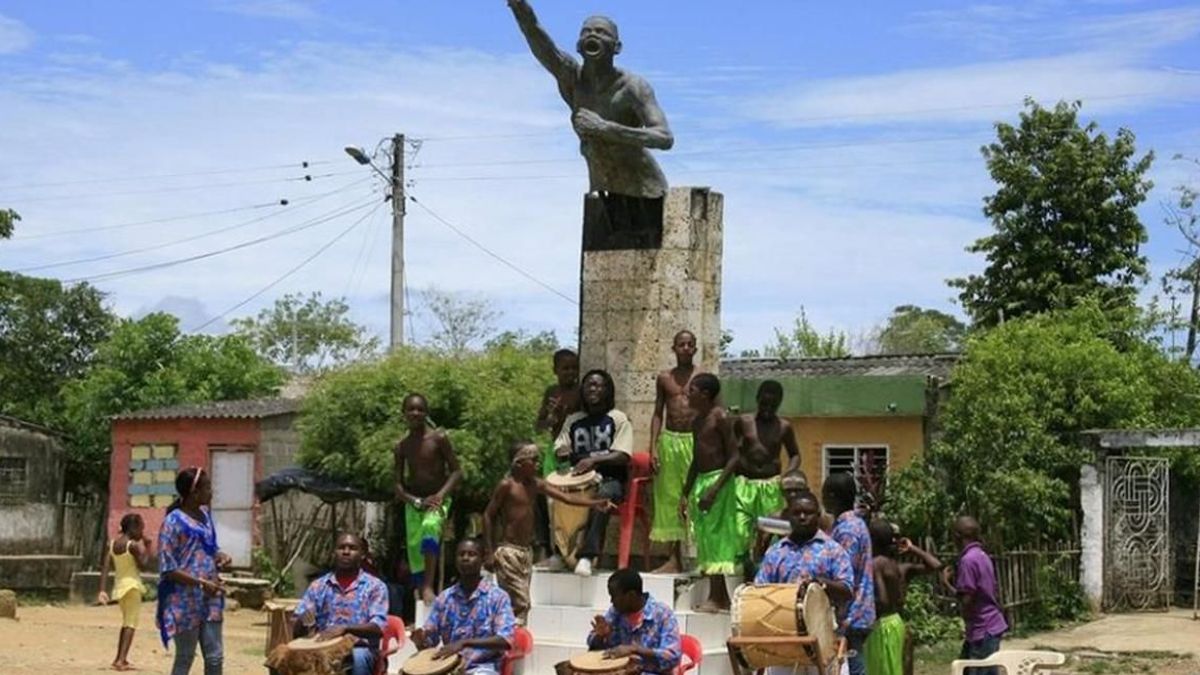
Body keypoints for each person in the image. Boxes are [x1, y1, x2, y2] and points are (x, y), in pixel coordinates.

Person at [506, 0, 674, 200]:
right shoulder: (572, 79)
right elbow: (537, 37)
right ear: (578, 45)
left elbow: (664, 137)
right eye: (586, 31)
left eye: (602, 32)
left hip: (645, 193)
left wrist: (605, 128)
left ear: (617, 47)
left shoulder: (633, 87)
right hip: (601, 193)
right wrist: (519, 6)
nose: (593, 35)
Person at [483, 440, 615, 625]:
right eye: (534, 460)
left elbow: (567, 498)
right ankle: (508, 640)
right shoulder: (507, 486)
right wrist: (488, 552)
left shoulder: (536, 484)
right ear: (519, 463)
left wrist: (595, 503)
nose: (538, 464)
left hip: (525, 553)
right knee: (521, 603)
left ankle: (509, 641)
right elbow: (488, 515)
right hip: (508, 552)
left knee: (517, 604)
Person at [755, 493, 855, 675]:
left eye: (808, 512)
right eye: (797, 513)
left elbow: (847, 590)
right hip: (784, 647)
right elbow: (760, 591)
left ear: (818, 516)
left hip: (823, 643)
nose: (802, 517)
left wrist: (822, 585)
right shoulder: (775, 553)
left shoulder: (833, 550)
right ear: (788, 516)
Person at [554, 369, 633, 577]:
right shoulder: (574, 420)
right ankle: (558, 552)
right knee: (546, 492)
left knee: (601, 499)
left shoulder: (617, 419)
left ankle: (587, 556)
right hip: (578, 479)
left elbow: (623, 455)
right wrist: (563, 452)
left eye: (599, 385)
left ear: (608, 390)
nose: (593, 389)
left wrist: (593, 460)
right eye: (589, 385)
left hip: (609, 479)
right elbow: (560, 449)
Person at [157, 467, 231, 675]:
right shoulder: (173, 522)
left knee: (215, 657)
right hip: (184, 600)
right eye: (207, 488)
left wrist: (220, 556)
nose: (211, 492)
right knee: (185, 657)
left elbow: (210, 548)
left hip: (210, 598)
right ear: (193, 492)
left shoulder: (206, 517)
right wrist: (200, 582)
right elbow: (168, 567)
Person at [394, 393, 463, 605]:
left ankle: (428, 586)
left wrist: (440, 496)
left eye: (420, 409)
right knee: (415, 547)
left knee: (430, 529)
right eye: (411, 409)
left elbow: (456, 471)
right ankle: (419, 588)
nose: (416, 413)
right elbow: (397, 485)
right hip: (415, 502)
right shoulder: (402, 446)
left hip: (438, 500)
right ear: (404, 413)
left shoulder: (438, 439)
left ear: (426, 413)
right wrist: (414, 501)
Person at [679, 373, 740, 612]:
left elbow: (735, 457)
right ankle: (718, 595)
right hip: (701, 482)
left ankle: (718, 597)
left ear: (704, 394)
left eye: (691, 390)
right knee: (705, 539)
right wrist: (686, 492)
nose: (687, 395)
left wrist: (714, 490)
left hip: (719, 482)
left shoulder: (720, 418)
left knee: (716, 539)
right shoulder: (697, 421)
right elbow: (696, 459)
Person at [413, 539, 516, 675]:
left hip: (482, 667)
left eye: (471, 554)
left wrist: (465, 643)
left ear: (482, 559)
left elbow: (505, 640)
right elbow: (430, 641)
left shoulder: (498, 597)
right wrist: (420, 639)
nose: (465, 558)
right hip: (447, 666)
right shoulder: (445, 598)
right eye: (461, 554)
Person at [289, 533, 388, 675]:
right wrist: (301, 620)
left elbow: (379, 627)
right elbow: (296, 627)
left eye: (352, 548)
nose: (346, 552)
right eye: (341, 548)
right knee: (281, 656)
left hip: (359, 648)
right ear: (334, 552)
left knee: (359, 658)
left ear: (362, 555)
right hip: (322, 646)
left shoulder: (375, 587)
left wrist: (346, 628)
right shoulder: (319, 586)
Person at [555, 568, 682, 675]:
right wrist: (601, 637)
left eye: (614, 596)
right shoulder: (616, 612)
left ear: (631, 595)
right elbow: (593, 644)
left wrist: (634, 649)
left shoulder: (663, 614)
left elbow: (673, 656)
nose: (611, 601)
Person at [648, 330, 697, 574]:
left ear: (695, 349)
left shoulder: (703, 377)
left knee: (695, 497)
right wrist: (652, 448)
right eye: (681, 344)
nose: (686, 348)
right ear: (674, 348)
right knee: (670, 499)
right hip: (669, 442)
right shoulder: (664, 378)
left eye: (690, 345)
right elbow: (658, 413)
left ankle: (700, 557)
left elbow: (716, 412)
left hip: (695, 441)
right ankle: (673, 558)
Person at [733, 380, 800, 561]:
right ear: (757, 399)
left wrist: (788, 475)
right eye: (764, 403)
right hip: (744, 486)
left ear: (779, 403)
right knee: (740, 531)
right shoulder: (743, 422)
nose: (767, 408)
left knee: (770, 534)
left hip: (771, 486)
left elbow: (794, 455)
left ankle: (765, 573)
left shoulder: (784, 427)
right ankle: (743, 573)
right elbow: (731, 452)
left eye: (773, 404)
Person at [867, 519, 943, 675]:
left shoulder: (874, 564)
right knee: (901, 668)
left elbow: (882, 600)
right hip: (898, 622)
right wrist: (913, 548)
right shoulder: (900, 568)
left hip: (881, 625)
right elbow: (936, 565)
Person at [822, 473, 876, 675]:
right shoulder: (852, 524)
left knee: (853, 667)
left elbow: (845, 573)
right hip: (858, 611)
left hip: (852, 613)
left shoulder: (848, 531)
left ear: (833, 497)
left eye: (825, 494)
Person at [534, 349, 581, 570]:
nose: (570, 372)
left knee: (569, 505)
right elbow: (539, 425)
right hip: (554, 453)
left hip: (572, 453)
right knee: (549, 502)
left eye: (574, 368)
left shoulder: (581, 393)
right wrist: (551, 416)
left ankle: (571, 552)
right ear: (555, 370)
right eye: (565, 368)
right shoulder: (551, 392)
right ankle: (551, 551)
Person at [947, 516, 1007, 675]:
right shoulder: (981, 555)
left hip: (982, 629)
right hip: (989, 626)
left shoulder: (967, 560)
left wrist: (946, 584)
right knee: (966, 668)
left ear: (958, 536)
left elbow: (967, 599)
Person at [98, 513, 152, 671]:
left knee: (126, 622)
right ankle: (121, 660)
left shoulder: (113, 544)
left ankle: (119, 658)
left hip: (120, 587)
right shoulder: (132, 546)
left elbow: (106, 567)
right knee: (131, 624)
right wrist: (147, 547)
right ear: (133, 528)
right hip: (132, 586)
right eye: (141, 528)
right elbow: (144, 566)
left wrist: (102, 589)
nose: (142, 532)